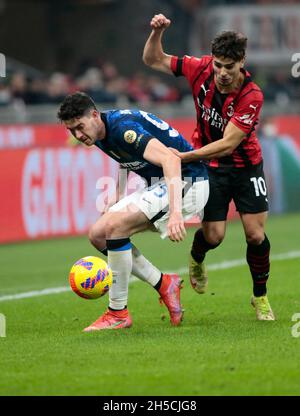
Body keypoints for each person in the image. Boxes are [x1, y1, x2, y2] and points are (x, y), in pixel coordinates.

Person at [143, 13, 275, 321]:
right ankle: (197, 257)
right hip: (212, 167)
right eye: (218, 65)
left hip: (246, 167)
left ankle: (261, 297)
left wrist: (182, 157)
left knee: (255, 235)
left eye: (229, 67)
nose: (222, 73)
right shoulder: (200, 68)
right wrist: (156, 33)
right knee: (214, 236)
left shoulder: (252, 95)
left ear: (242, 62)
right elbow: (153, 60)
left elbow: (229, 144)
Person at [58, 91, 209, 331]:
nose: (77, 134)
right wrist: (118, 191)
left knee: (115, 227)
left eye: (79, 127)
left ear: (95, 115)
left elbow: (171, 160)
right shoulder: (99, 131)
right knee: (98, 234)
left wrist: (177, 214)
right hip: (164, 183)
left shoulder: (122, 128)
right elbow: (124, 155)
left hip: (189, 182)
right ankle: (164, 284)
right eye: (71, 131)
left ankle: (117, 312)